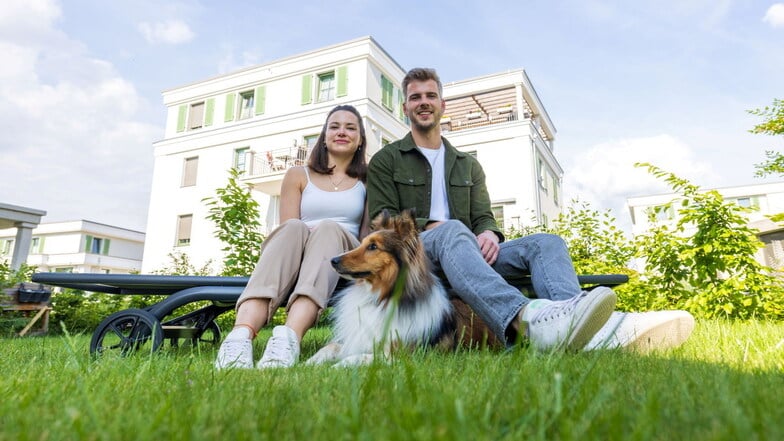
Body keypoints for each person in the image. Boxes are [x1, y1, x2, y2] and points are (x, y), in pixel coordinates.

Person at [367, 67, 694, 352]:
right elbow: (382, 218)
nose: (423, 102)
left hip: (467, 252)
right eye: (415, 97)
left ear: (442, 104)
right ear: (405, 107)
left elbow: (483, 215)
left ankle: (576, 322)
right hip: (418, 256)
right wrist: (436, 227)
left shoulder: (468, 165)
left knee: (546, 243)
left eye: (430, 95)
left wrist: (488, 233)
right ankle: (526, 321)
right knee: (452, 231)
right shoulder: (387, 160)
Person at [215, 104, 369, 369]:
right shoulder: (298, 175)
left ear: (360, 140)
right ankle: (239, 338)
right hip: (300, 250)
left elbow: (366, 237)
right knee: (294, 228)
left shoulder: (367, 180)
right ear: (324, 136)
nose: (341, 132)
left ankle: (288, 340)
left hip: (342, 254)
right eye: (334, 126)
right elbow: (288, 227)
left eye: (350, 127)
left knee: (329, 228)